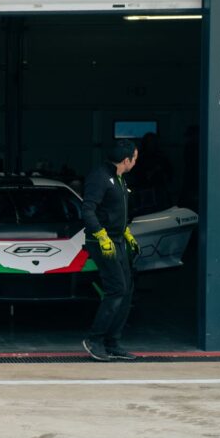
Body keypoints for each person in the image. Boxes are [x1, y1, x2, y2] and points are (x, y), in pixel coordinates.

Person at [81, 139, 140, 362]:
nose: (136, 162)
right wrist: (101, 235)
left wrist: (125, 232)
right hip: (102, 242)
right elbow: (88, 210)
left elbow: (114, 211)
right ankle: (94, 340)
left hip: (117, 240)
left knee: (127, 290)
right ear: (126, 160)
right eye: (135, 158)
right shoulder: (100, 177)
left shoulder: (119, 178)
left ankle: (112, 343)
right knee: (116, 289)